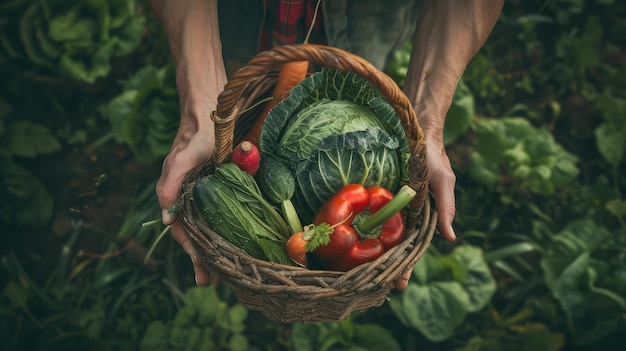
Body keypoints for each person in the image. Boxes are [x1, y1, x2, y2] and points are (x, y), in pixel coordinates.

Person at [147, 0, 504, 290]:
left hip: (369, 21)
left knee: (363, 65)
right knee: (236, 72)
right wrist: (200, 111)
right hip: (229, 20)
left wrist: (426, 123)